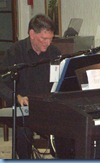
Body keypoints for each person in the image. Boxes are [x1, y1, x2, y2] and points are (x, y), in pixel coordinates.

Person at [0, 14, 74, 159]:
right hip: (24, 106)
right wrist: (16, 97)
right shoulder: (15, 52)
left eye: (51, 39)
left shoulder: (54, 53)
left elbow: (60, 81)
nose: (48, 43)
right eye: (44, 39)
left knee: (70, 125)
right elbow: (2, 82)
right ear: (32, 34)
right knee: (23, 133)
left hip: (47, 106)